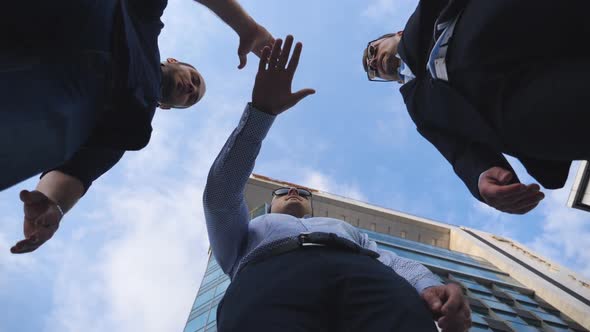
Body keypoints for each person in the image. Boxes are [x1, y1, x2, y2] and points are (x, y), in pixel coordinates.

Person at [204, 35, 471, 332]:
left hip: (366, 275)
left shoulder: (346, 232)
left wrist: (428, 284)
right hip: (267, 279)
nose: (294, 191)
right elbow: (220, 195)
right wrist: (260, 114)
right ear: (269, 206)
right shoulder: (245, 234)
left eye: (303, 192)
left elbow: (389, 259)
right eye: (284, 192)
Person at [7, 0, 274, 253]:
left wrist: (52, 205)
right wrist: (247, 28)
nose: (190, 88)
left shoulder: (130, 126)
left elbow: (75, 171)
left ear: (166, 107)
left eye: (191, 97)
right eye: (193, 78)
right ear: (173, 60)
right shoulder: (143, 21)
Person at [362, 0, 590, 215]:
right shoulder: (418, 110)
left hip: (534, 17)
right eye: (373, 72)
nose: (373, 63)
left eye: (372, 51)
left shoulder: (423, 18)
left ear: (397, 33)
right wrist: (481, 175)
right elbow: (459, 152)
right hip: (542, 111)